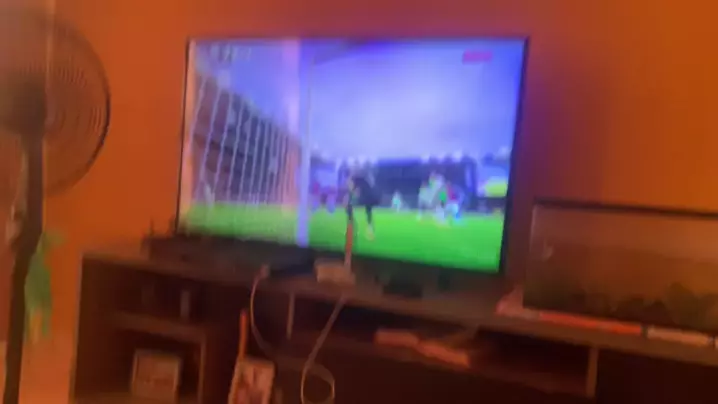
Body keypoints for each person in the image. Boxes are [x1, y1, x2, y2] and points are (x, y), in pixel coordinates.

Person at [346, 173, 379, 239]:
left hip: (365, 199)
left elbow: (354, 190)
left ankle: (367, 229)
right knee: (368, 212)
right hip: (367, 199)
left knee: (350, 208)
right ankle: (368, 229)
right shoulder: (363, 182)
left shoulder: (359, 181)